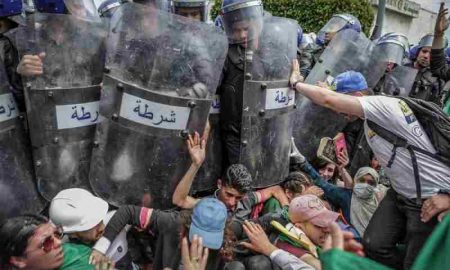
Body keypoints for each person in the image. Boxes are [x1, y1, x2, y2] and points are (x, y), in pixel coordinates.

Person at [290, 60, 450, 269]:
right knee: (373, 245)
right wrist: (324, 87)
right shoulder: (372, 115)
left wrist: (297, 84)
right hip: (400, 193)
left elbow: (329, 100)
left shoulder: (380, 106)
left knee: (418, 262)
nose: (341, 115)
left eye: (343, 106)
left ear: (356, 97)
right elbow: (330, 94)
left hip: (430, 196)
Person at [90, 198, 234, 270]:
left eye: (209, 241)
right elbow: (128, 212)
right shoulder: (172, 222)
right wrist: (101, 247)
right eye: (197, 237)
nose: (200, 245)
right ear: (187, 225)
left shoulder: (223, 244)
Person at [172, 132, 289, 215]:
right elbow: (179, 201)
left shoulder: (248, 199)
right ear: (219, 184)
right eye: (228, 194)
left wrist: (287, 212)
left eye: (238, 197)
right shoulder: (208, 203)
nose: (232, 202)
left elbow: (276, 189)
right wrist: (196, 164)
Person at [49, 188, 133, 269]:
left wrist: (102, 245)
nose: (102, 227)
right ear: (73, 234)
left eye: (100, 219)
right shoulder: (73, 255)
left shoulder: (114, 220)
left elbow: (128, 212)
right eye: (91, 226)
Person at [0, 214, 114, 270]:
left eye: (56, 234)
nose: (59, 243)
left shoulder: (76, 255)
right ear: (19, 260)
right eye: (46, 242)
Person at [406, 33, 444, 104]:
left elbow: (434, 106)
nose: (426, 56)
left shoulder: (436, 80)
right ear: (418, 52)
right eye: (424, 51)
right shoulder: (403, 69)